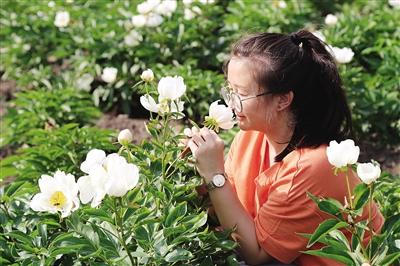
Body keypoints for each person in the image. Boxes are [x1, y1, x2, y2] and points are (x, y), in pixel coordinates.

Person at [187, 29, 384, 265]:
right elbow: (229, 212)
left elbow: (256, 255)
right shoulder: (252, 137)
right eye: (229, 90)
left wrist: (214, 176)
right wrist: (193, 169)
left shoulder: (313, 167)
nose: (230, 103)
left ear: (283, 99)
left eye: (240, 94)